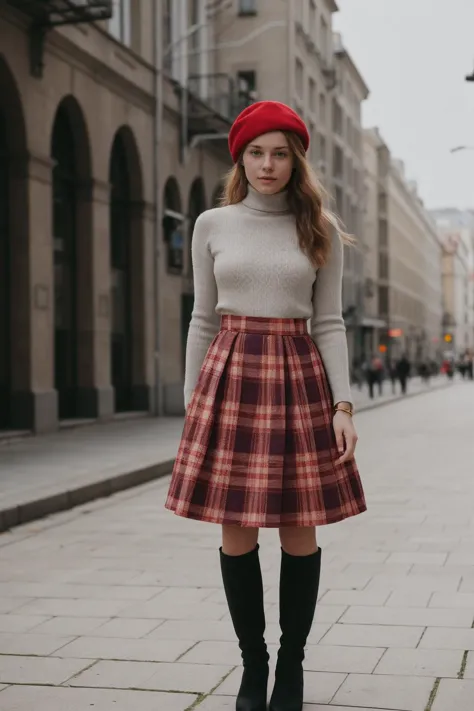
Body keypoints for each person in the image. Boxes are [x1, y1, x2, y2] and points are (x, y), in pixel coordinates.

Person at [165, 101, 366, 711]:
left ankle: (293, 668)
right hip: (230, 377)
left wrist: (344, 406)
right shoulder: (211, 224)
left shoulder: (321, 228)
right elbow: (201, 319)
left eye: (280, 153)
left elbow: (329, 323)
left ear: (296, 159)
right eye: (256, 152)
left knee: (298, 528)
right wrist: (191, 403)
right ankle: (254, 667)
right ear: (240, 157)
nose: (267, 164)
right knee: (237, 532)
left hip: (299, 375)